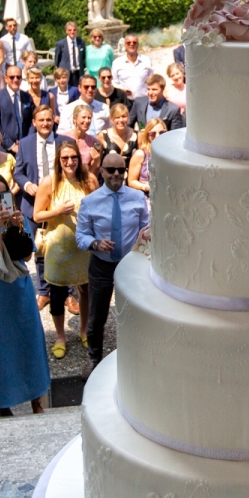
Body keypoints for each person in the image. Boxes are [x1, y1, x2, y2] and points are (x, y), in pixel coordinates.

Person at [0, 173, 49, 416]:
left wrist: (17, 227)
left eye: (0, 195)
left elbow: (25, 256)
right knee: (0, 346)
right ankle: (4, 405)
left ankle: (38, 402)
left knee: (29, 342)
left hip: (20, 289)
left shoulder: (19, 218)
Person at [75, 153, 149, 378]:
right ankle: (94, 358)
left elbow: (146, 226)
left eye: (120, 170)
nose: (116, 174)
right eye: (111, 170)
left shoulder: (137, 198)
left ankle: (137, 355)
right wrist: (96, 243)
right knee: (97, 316)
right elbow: (80, 236)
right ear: (102, 172)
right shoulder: (90, 202)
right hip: (101, 265)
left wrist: (145, 236)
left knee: (135, 312)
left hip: (131, 264)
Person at [34, 141, 98, 357]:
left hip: (83, 248)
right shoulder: (49, 183)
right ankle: (60, 336)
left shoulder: (88, 180)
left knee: (86, 290)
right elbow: (37, 215)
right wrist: (57, 211)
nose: (69, 162)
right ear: (58, 160)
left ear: (79, 159)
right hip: (59, 247)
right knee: (58, 293)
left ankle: (84, 330)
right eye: (65, 158)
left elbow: (99, 208)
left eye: (73, 157)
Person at [13, 105, 71, 311]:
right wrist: (27, 184)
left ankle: (69, 293)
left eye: (49, 119)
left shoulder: (65, 142)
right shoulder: (26, 143)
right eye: (41, 120)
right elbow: (18, 172)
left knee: (65, 245)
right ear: (34, 122)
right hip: (33, 204)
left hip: (61, 204)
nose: (45, 123)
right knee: (40, 248)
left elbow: (74, 169)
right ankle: (44, 291)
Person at [0, 66, 35, 154]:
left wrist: (27, 141)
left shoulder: (27, 97)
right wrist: (12, 145)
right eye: (12, 77)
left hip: (26, 147)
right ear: (6, 79)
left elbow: (33, 121)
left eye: (18, 77)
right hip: (5, 149)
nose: (15, 79)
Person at [127, 118, 166, 196]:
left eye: (161, 133)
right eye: (152, 134)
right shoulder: (140, 154)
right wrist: (146, 187)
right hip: (146, 198)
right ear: (147, 135)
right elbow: (131, 181)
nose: (157, 136)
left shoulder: (169, 154)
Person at [63, 104, 103, 178]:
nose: (87, 121)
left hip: (85, 180)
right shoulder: (63, 138)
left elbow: (93, 173)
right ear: (75, 119)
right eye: (83, 117)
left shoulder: (95, 142)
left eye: (89, 118)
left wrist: (96, 161)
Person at [111, 35, 153, 101]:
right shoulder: (117, 63)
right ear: (124, 45)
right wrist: (122, 89)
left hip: (144, 100)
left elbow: (152, 80)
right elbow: (114, 82)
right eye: (128, 42)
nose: (131, 44)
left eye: (134, 42)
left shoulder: (146, 60)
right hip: (125, 100)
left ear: (138, 45)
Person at [97, 103, 138, 169]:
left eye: (124, 116)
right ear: (111, 119)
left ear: (128, 117)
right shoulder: (103, 136)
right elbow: (97, 160)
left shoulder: (137, 136)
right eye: (117, 117)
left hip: (130, 176)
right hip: (109, 176)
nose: (121, 120)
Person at [54, 22, 87, 88]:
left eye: (74, 30)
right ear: (66, 31)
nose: (72, 32)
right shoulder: (60, 44)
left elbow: (84, 57)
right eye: (70, 30)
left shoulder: (81, 42)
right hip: (66, 72)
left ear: (77, 31)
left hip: (78, 73)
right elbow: (57, 59)